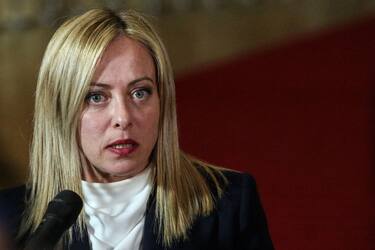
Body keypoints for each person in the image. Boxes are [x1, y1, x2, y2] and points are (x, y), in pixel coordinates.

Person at [0, 8, 274, 250]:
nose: (123, 117)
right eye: (96, 97)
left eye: (140, 93)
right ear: (60, 110)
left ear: (162, 100)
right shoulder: (9, 220)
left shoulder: (227, 206)